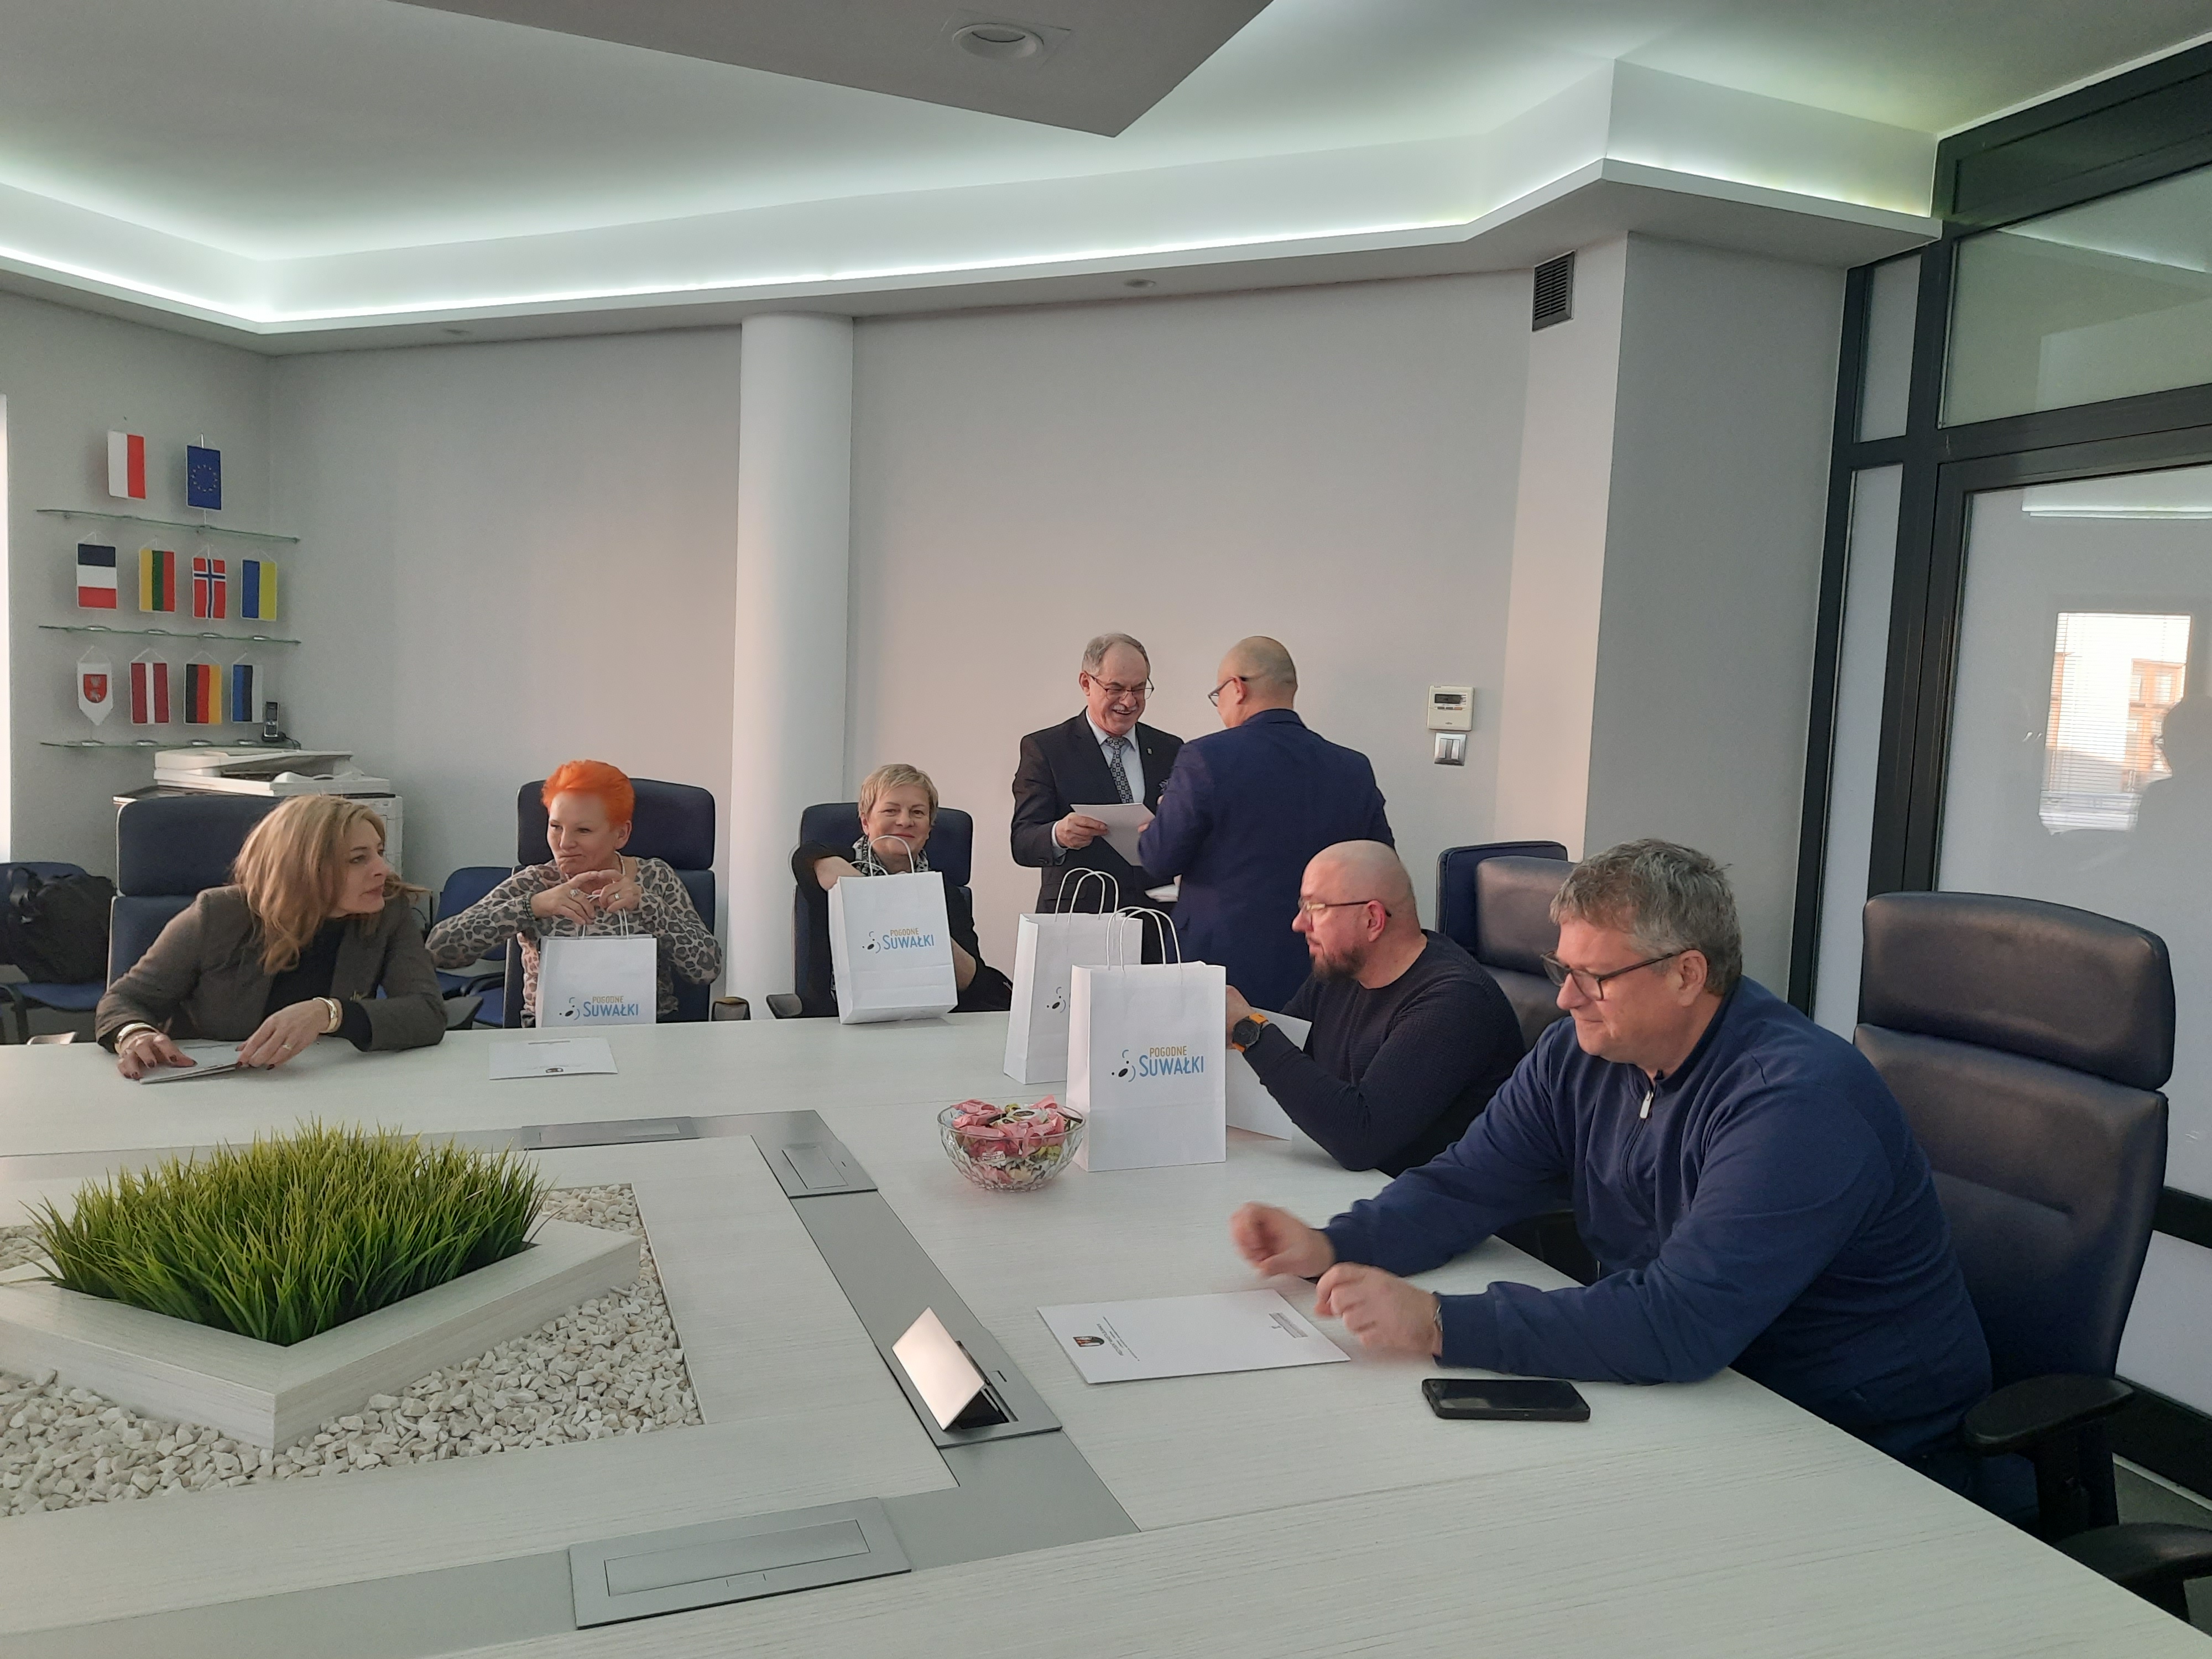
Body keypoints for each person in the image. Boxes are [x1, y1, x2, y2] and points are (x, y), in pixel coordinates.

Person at [1230, 839, 1991, 1467]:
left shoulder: (1794, 1101)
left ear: (1687, 974)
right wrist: (1332, 1244)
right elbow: (1466, 1184)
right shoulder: (1581, 1053)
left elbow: (1682, 1320)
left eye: (1592, 978)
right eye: (1562, 971)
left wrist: (1438, 1323)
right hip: (1702, 1396)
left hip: (1854, 1436)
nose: (1565, 1000)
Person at [97, 794, 445, 1078]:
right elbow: (124, 1000)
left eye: (379, 853)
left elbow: (427, 1012)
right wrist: (135, 1033)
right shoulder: (219, 915)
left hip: (328, 1084)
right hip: (215, 1088)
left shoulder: (387, 909)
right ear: (301, 867)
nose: (382, 870)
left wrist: (328, 1013)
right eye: (358, 859)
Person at [1229, 842, 1522, 1175]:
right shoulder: (1342, 971)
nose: (1299, 923)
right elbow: (1287, 1064)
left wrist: (1249, 1031)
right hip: (1355, 1186)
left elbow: (1360, 1137)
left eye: (1315, 908)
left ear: (1372, 919)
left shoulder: (1453, 1001)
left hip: (1437, 1197)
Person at [1138, 637, 1392, 1007]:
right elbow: (1381, 865)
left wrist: (1158, 827)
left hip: (1221, 966)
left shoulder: (1205, 757)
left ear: (1237, 688)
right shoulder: (1352, 768)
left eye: (1218, 695)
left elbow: (1159, 860)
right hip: (1324, 964)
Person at [426, 760, 722, 1024]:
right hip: (551, 1034)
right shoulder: (536, 882)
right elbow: (439, 950)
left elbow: (706, 969)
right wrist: (531, 907)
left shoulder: (655, 877)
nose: (565, 843)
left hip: (645, 1031)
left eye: (583, 831)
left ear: (621, 834)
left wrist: (649, 906)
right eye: (556, 827)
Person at [794, 762, 1013, 1016]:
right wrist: (878, 895)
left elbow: (975, 984)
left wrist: (925, 929)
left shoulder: (945, 893)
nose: (905, 821)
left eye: (918, 813)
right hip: (836, 1019)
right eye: (891, 810)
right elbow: (805, 858)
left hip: (923, 1023)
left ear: (929, 829)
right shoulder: (836, 865)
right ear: (866, 822)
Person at [1010, 632, 1183, 916]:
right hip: (1080, 915)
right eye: (1115, 688)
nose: (1129, 701)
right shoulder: (1047, 749)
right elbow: (1023, 841)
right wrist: (1058, 835)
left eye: (1139, 689)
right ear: (1086, 683)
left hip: (1155, 915)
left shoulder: (1170, 749)